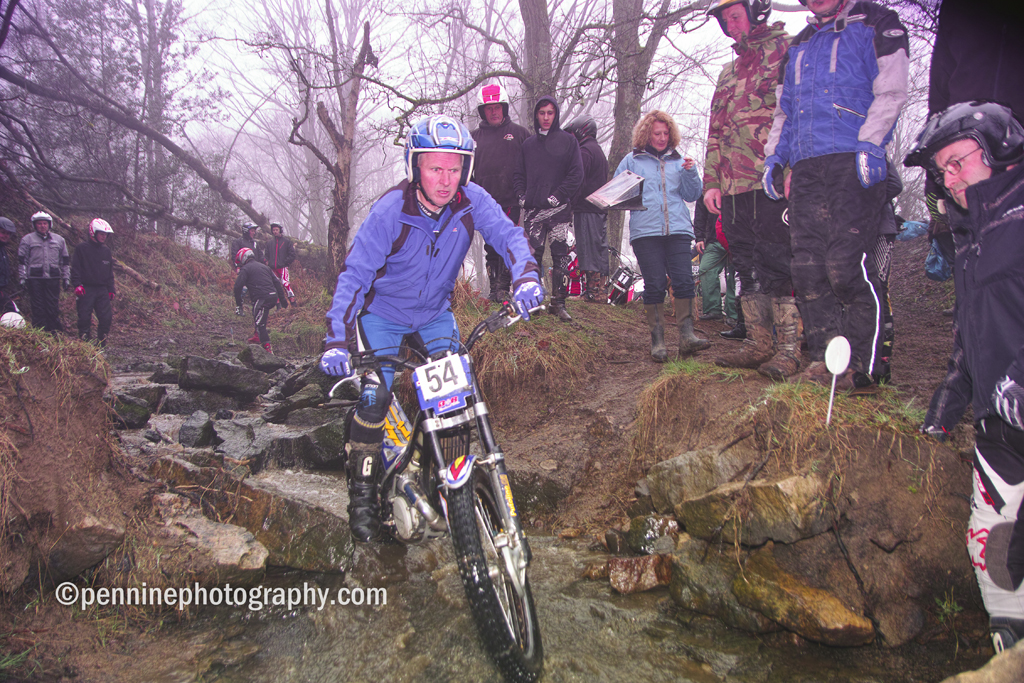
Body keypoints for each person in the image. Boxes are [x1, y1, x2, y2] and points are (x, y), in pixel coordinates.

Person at [319, 114, 543, 542]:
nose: (445, 180)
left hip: (433, 314)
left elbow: (508, 235)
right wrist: (337, 342)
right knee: (375, 398)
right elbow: (354, 276)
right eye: (435, 168)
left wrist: (526, 277)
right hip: (381, 314)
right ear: (415, 167)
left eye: (454, 169)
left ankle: (446, 487)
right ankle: (362, 497)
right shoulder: (390, 210)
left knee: (453, 403)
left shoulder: (471, 200)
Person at [907, 101, 1024, 655]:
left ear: (999, 150)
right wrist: (943, 412)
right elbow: (969, 337)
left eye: (958, 162)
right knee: (992, 544)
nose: (950, 179)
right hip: (999, 430)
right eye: (942, 171)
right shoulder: (968, 237)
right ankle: (1011, 642)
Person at [762, 0, 908, 391]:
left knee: (846, 264)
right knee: (807, 267)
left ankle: (862, 366)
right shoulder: (799, 45)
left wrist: (872, 143)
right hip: (807, 166)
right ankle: (824, 360)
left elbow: (892, 90)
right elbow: (784, 111)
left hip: (853, 158)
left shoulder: (877, 23)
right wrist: (776, 157)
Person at [703, 0, 800, 381]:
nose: (730, 25)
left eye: (735, 16)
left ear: (755, 11)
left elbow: (798, 112)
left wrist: (792, 167)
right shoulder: (728, 72)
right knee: (745, 264)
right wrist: (711, 182)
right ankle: (758, 342)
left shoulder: (786, 51)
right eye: (725, 20)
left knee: (779, 260)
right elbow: (715, 130)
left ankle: (790, 348)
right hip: (732, 185)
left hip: (770, 179)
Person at [924, 0, 1024, 317]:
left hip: (1016, 151)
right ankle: (971, 331)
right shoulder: (957, 8)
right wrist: (936, 174)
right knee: (973, 266)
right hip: (963, 152)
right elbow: (939, 92)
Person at [613, 110, 708, 362]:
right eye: (657, 133)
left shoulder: (680, 161)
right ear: (647, 134)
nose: (662, 138)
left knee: (684, 281)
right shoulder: (632, 160)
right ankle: (658, 342)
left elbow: (692, 195)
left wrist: (691, 173)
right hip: (646, 232)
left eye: (666, 133)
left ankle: (687, 337)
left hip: (678, 230)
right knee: (654, 284)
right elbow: (616, 192)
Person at [513, 96, 583, 322]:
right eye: (542, 113)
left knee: (560, 256)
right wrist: (522, 197)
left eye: (550, 113)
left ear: (556, 115)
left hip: (559, 211)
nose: (545, 117)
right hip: (533, 212)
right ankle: (532, 302)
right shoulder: (528, 145)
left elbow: (576, 174)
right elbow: (518, 174)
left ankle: (559, 303)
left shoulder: (568, 142)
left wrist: (557, 196)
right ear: (536, 115)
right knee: (533, 256)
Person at [471, 83, 531, 303]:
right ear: (483, 111)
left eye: (497, 107)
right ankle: (494, 288)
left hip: (511, 200)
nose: (494, 112)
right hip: (484, 202)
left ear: (504, 108)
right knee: (490, 246)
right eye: (489, 108)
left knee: (506, 242)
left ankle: (504, 289)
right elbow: (465, 171)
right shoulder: (473, 138)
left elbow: (532, 166)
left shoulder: (520, 133)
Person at [564, 115, 609, 303]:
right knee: (598, 247)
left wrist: (569, 204)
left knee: (588, 248)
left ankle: (593, 292)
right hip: (598, 208)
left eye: (572, 134)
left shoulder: (585, 151)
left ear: (580, 131)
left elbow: (577, 180)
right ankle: (600, 291)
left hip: (586, 208)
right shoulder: (597, 151)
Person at [18, 211, 70, 333]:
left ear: (49, 224)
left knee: (53, 306)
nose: (42, 226)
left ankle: (54, 332)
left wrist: (66, 277)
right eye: (39, 223)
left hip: (53, 278)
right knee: (38, 307)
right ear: (34, 225)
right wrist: (22, 277)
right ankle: (39, 333)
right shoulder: (27, 239)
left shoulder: (59, 240)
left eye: (45, 223)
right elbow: (22, 261)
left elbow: (65, 261)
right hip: (35, 279)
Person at [233, 246, 288, 354]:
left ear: (243, 258)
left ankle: (268, 350)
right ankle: (257, 337)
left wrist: (239, 304)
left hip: (261, 298)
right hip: (272, 296)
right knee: (258, 314)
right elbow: (277, 283)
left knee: (260, 324)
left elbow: (237, 287)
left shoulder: (246, 269)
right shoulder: (265, 267)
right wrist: (283, 300)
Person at [70, 218, 116, 346]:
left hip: (102, 289)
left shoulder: (106, 251)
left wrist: (111, 289)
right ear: (93, 233)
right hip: (86, 288)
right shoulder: (81, 248)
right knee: (84, 317)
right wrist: (77, 285)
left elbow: (109, 272)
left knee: (106, 317)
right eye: (101, 234)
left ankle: (102, 342)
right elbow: (76, 268)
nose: (104, 237)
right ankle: (84, 342)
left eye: (105, 234)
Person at [693, 198, 736, 324]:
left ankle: (733, 313)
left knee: (735, 275)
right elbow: (700, 214)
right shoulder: (707, 190)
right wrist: (699, 237)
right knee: (706, 269)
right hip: (714, 239)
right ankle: (713, 310)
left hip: (737, 239)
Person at [266, 221, 297, 306]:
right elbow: (266, 255)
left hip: (283, 267)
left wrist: (286, 262)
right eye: (273, 230)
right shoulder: (269, 243)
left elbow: (292, 254)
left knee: (285, 284)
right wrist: (268, 262)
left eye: (276, 230)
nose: (275, 231)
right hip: (273, 268)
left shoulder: (286, 241)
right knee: (275, 286)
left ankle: (293, 302)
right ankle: (278, 305)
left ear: (280, 230)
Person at [0, 217, 16, 315]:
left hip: (2, 289)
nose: (5, 236)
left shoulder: (3, 249)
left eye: (8, 233)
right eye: (3, 232)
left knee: (11, 312)